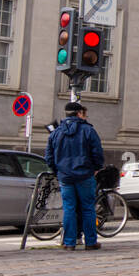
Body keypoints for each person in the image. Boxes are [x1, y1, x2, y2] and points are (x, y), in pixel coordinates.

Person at [45, 101, 105, 250]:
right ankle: (90, 242)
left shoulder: (56, 132)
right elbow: (97, 152)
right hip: (85, 175)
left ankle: (69, 242)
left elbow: (49, 157)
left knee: (69, 208)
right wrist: (96, 168)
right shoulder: (88, 130)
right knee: (88, 208)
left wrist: (57, 171)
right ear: (79, 113)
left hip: (65, 176)